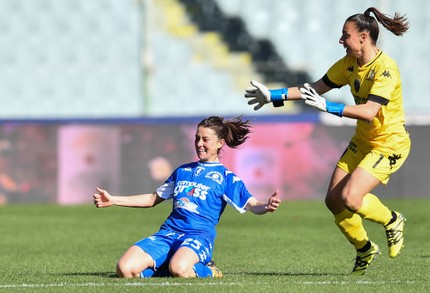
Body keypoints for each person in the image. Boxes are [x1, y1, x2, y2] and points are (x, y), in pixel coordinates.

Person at [244, 7, 410, 275]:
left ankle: (392, 220)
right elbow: (313, 89)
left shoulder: (385, 70)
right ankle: (365, 248)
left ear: (363, 37)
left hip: (389, 144)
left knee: (351, 198)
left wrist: (329, 107)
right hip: (363, 141)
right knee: (333, 201)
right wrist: (272, 95)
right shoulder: (348, 64)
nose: (341, 40)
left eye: (345, 35)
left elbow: (369, 112)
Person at [93, 116, 281, 278]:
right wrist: (114, 200)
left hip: (198, 237)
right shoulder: (182, 171)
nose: (199, 144)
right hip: (168, 234)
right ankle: (170, 263)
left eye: (205, 139)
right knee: (124, 270)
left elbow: (252, 203)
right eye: (197, 138)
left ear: (220, 143)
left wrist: (267, 205)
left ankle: (209, 271)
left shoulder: (226, 178)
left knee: (180, 269)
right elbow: (152, 199)